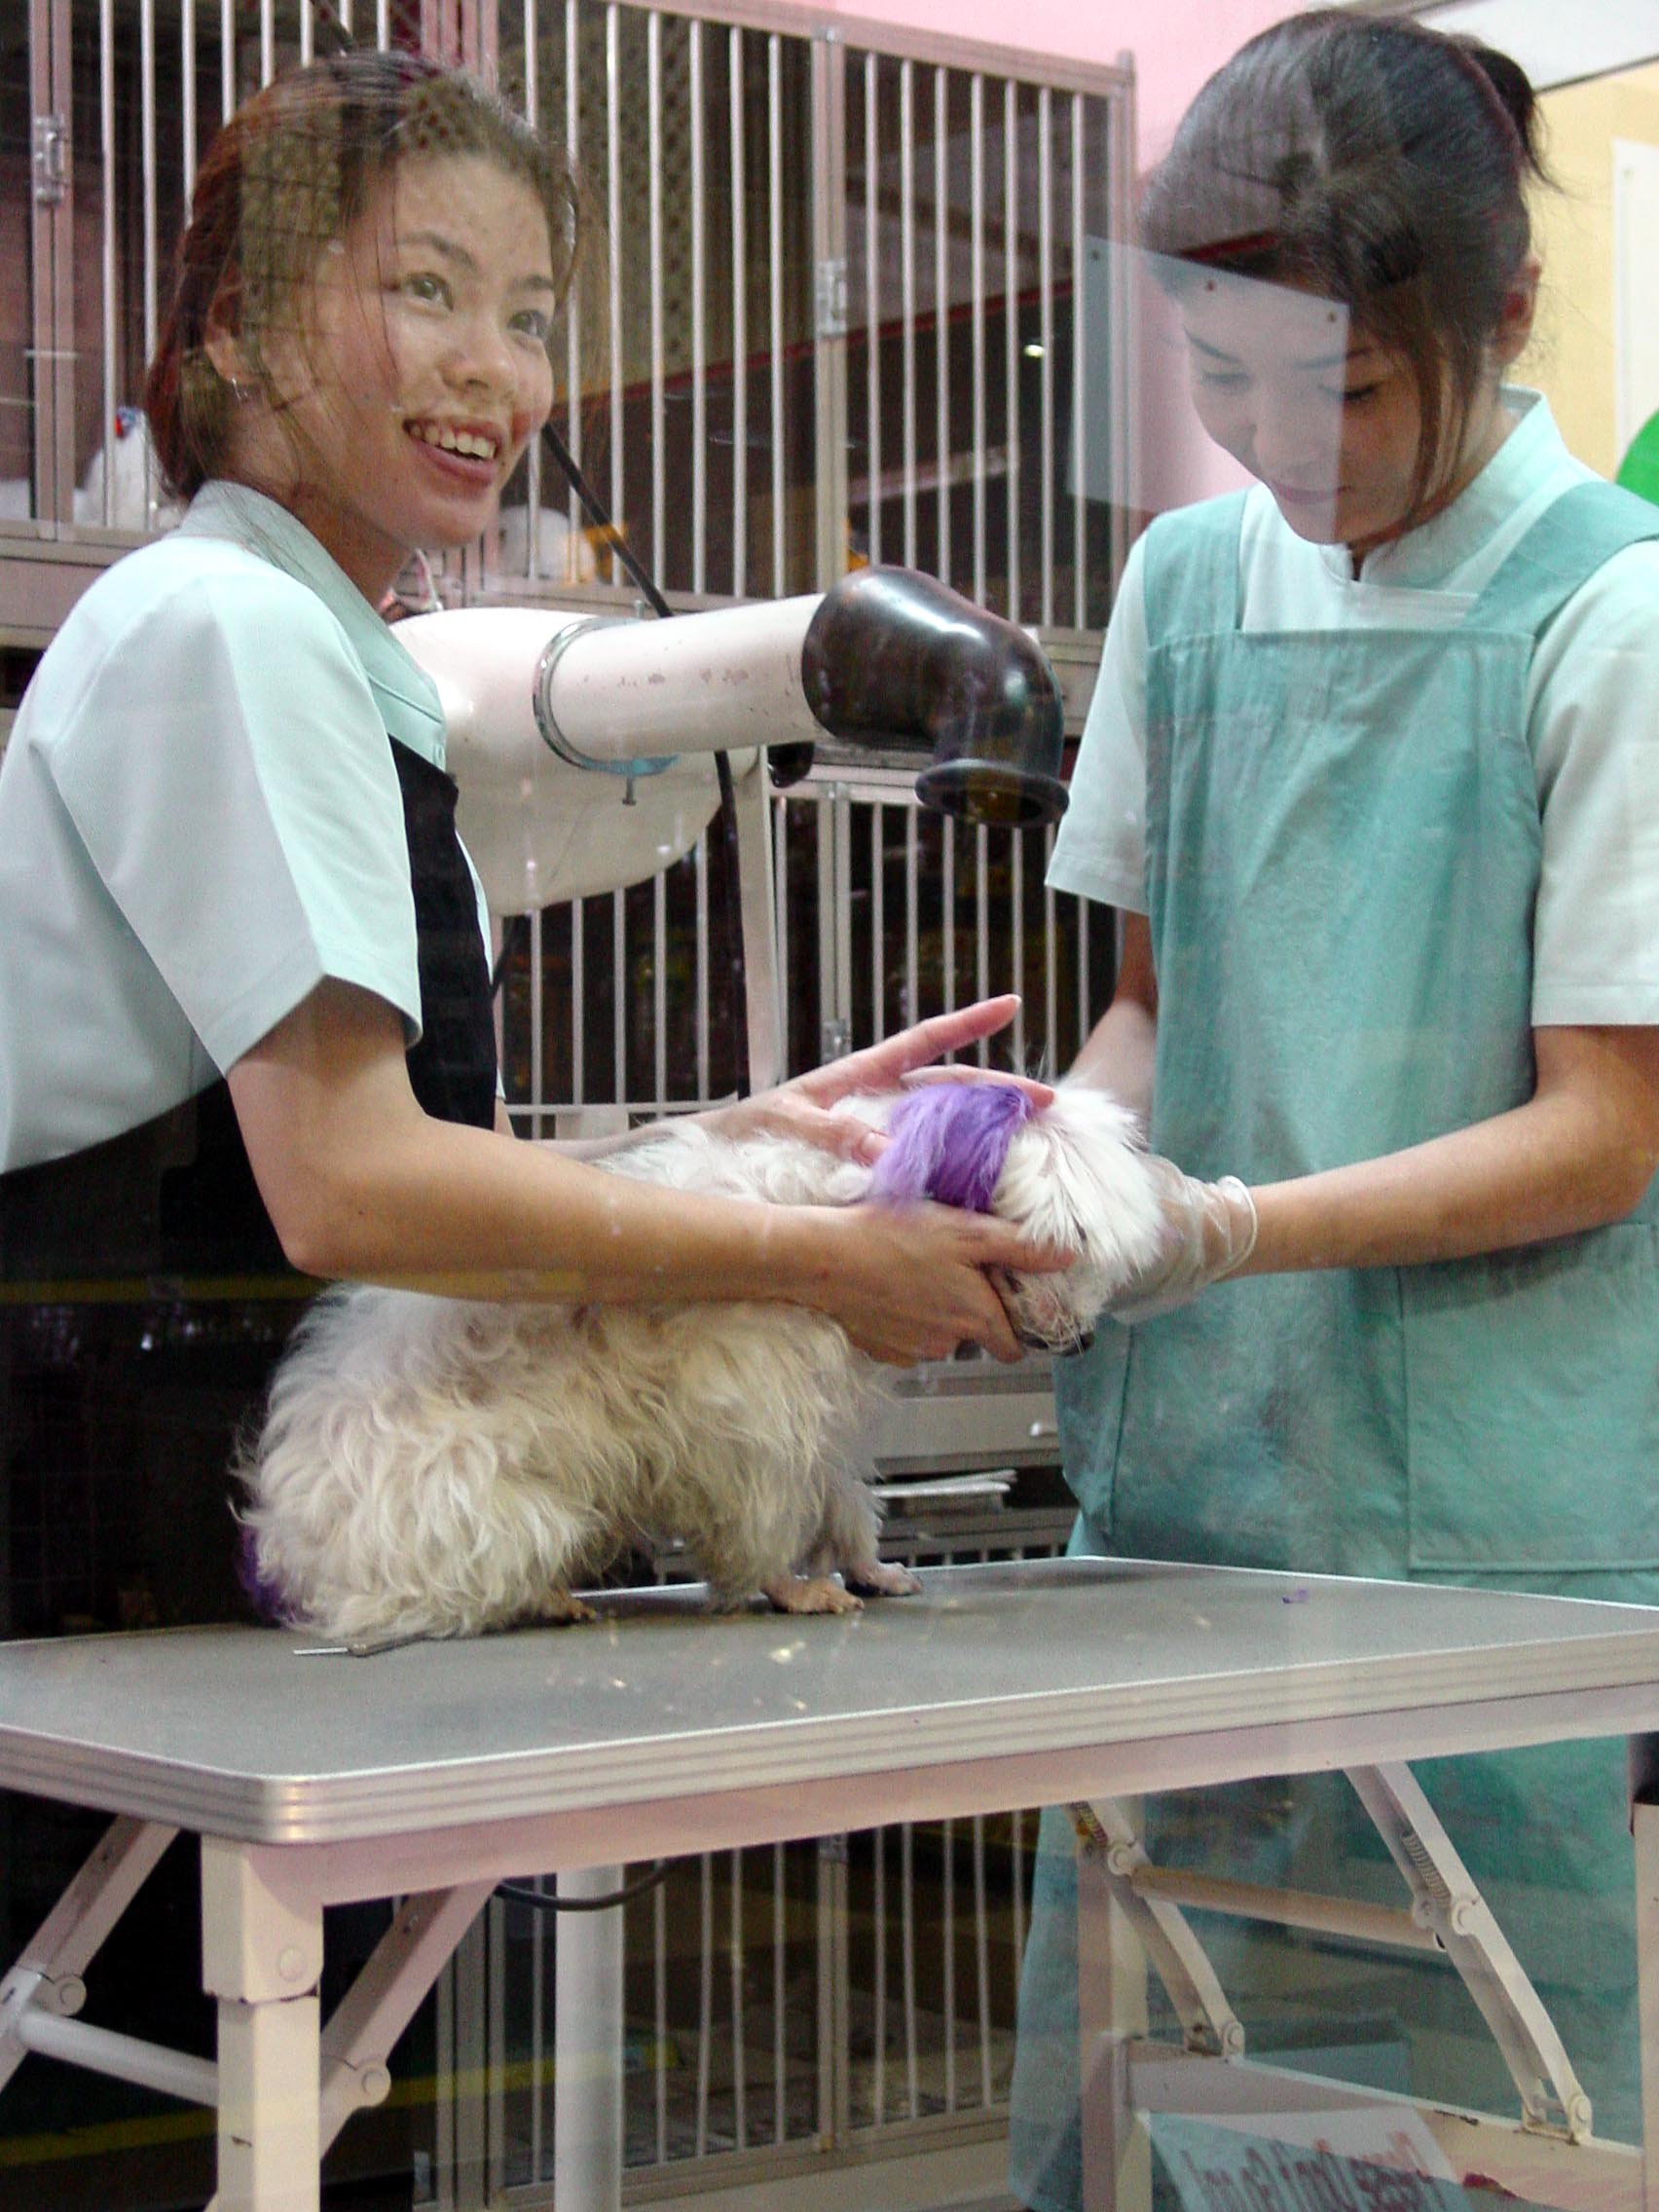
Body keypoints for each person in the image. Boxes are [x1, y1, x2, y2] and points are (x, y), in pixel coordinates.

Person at [0, 48, 1065, 2197]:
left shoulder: (315, 642)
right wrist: (812, 1253)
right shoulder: (226, 626)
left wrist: (738, 1138)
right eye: (421, 291)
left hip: (202, 1568)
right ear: (229, 329)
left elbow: (371, 1161)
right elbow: (348, 1186)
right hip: (112, 1558)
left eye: (539, 308)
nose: (495, 367)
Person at [1008, 12, 1659, 2204]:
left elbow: (1604, 1126)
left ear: (1507, 311)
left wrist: (1228, 1228)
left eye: (1352, 389)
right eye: (1227, 383)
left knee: (1453, 2131)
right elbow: (1150, 1005)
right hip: (1186, 1514)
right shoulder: (1187, 586)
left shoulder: (1615, 622)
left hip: (1482, 1542)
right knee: (1147, 2109)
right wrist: (1072, 1166)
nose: (1288, 446)